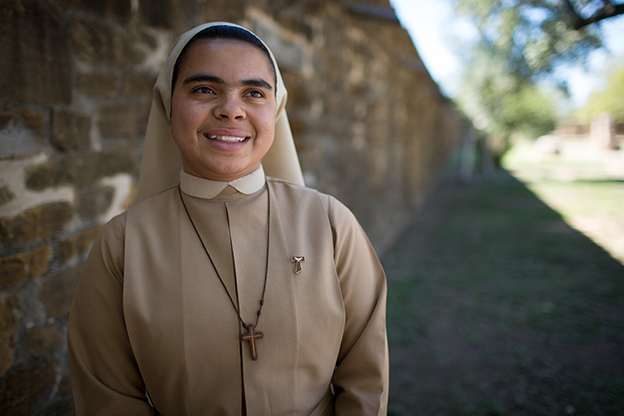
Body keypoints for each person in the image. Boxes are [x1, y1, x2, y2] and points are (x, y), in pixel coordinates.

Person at [68, 22, 388, 415]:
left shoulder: (332, 224)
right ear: (170, 105)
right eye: (204, 89)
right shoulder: (121, 245)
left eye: (253, 93)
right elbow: (108, 397)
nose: (230, 110)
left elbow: (366, 379)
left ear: (276, 110)